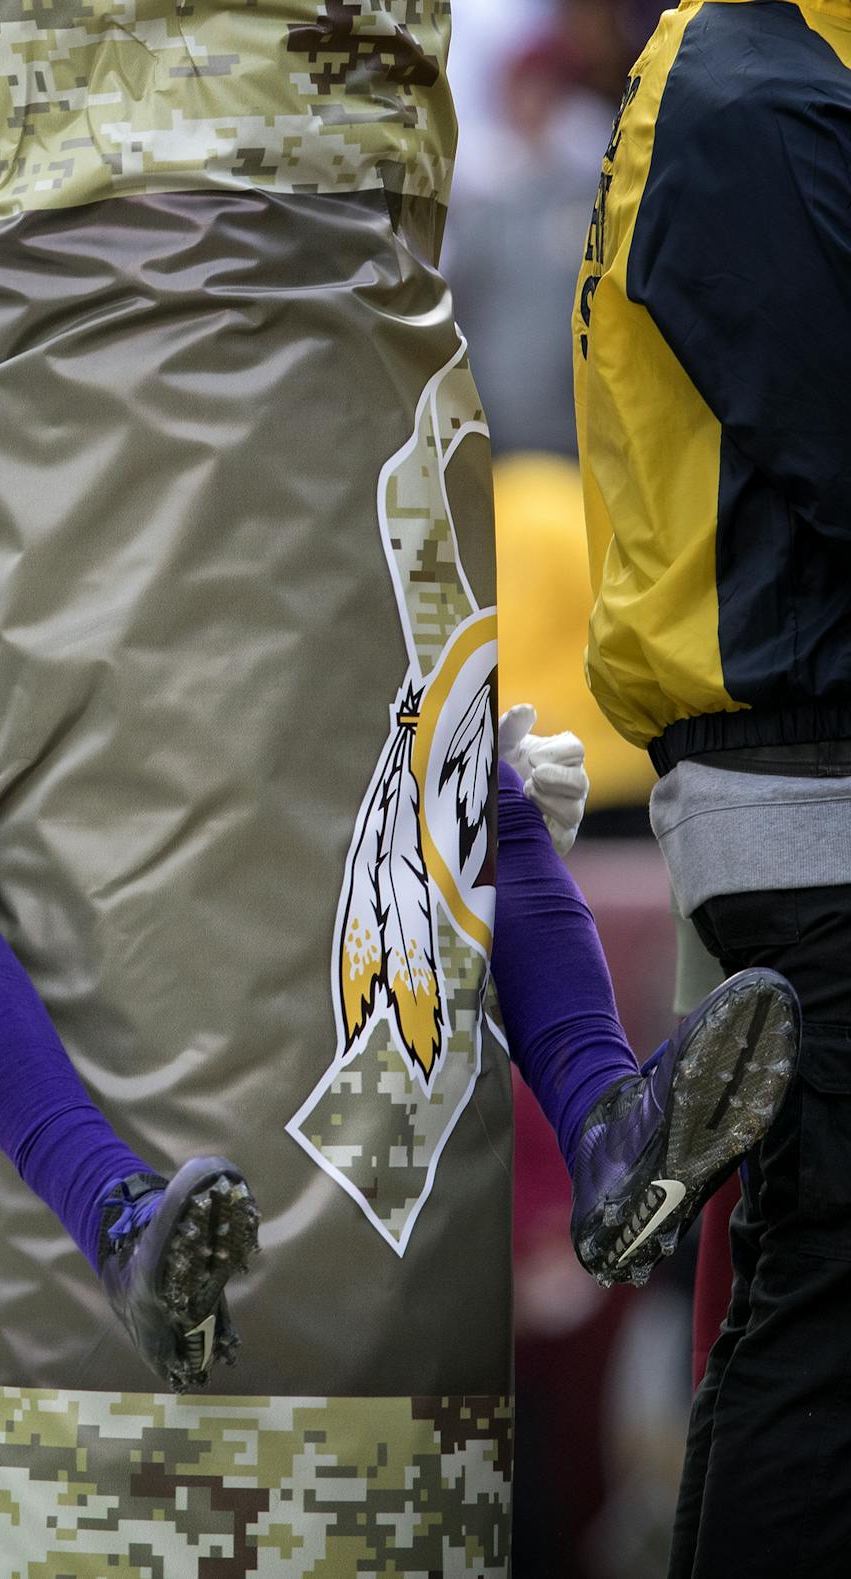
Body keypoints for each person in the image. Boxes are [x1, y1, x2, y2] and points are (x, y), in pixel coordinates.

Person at [0, 54, 796, 1479]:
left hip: (54, 975)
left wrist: (435, 796)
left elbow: (226, 727)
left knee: (442, 745)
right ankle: (119, 1225)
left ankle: (608, 1130)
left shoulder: (123, 434)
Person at [573, 3, 851, 1574]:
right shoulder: (744, 85)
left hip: (791, 775)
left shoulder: (750, 71)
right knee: (825, 1326)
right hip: (809, 786)